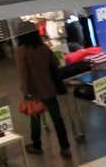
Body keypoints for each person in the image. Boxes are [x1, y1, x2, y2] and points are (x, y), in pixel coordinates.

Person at [15, 30, 71, 158]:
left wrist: (25, 92)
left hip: (34, 92)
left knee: (35, 119)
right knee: (57, 119)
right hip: (49, 89)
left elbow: (23, 74)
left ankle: (37, 145)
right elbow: (55, 64)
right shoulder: (44, 48)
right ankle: (65, 147)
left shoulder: (21, 51)